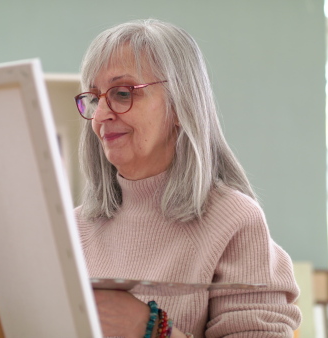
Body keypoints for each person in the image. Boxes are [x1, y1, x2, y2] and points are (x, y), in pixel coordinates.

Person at [74, 19, 301, 338]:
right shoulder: (73, 229)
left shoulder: (234, 221)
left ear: (181, 104)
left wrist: (150, 329)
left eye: (122, 93)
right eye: (95, 98)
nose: (100, 116)